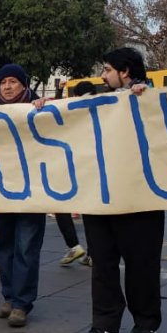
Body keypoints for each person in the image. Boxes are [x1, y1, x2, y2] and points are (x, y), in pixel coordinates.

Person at [77, 48, 164, 333]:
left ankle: (146, 320)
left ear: (125, 71)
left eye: (107, 69)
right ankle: (105, 322)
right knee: (102, 261)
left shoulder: (152, 99)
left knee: (141, 262)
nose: (102, 75)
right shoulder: (98, 103)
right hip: (100, 195)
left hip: (141, 197)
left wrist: (146, 96)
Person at [0, 64, 46, 327]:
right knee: (3, 248)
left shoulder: (40, 109)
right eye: (3, 82)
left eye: (13, 81)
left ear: (24, 85)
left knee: (25, 248)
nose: (8, 87)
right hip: (2, 193)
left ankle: (22, 303)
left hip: (31, 193)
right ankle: (9, 297)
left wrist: (46, 109)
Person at [54, 80, 95, 268]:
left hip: (69, 167)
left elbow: (52, 115)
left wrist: (59, 90)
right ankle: (93, 252)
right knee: (90, 211)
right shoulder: (104, 108)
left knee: (61, 208)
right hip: (92, 168)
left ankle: (74, 246)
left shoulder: (71, 109)